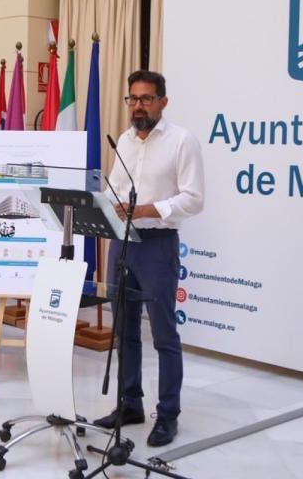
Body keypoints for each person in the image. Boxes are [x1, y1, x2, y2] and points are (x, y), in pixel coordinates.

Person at [93, 69, 205, 447]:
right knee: (124, 330)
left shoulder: (182, 141)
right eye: (133, 99)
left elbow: (194, 199)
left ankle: (168, 414)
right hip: (122, 244)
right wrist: (99, 205)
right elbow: (114, 189)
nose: (138, 106)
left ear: (163, 102)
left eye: (146, 99)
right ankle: (130, 404)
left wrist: (146, 210)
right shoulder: (124, 141)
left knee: (163, 334)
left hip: (157, 246)